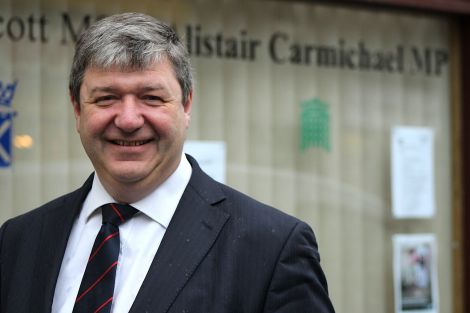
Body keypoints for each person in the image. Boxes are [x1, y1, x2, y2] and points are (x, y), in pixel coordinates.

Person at [0, 12, 335, 313]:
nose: (129, 119)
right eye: (106, 98)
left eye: (151, 98)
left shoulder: (271, 248)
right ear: (77, 108)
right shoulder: (18, 241)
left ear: (186, 105)